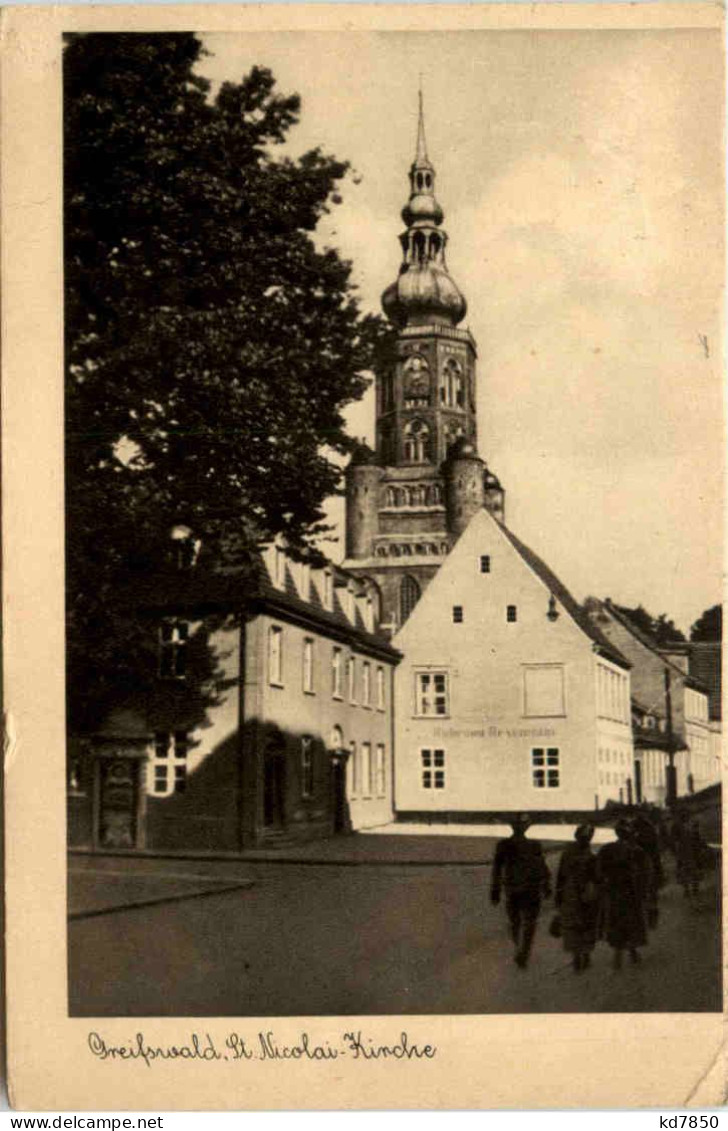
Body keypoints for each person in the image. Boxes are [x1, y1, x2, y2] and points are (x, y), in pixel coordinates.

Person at [490, 814, 551, 968]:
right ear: (526, 828)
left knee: (516, 921)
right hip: (530, 888)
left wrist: (495, 890)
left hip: (514, 888)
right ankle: (524, 950)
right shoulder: (534, 845)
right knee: (528, 922)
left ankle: (520, 948)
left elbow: (497, 869)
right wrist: (546, 885)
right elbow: (542, 866)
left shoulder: (503, 845)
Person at [596, 819, 652, 969]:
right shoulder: (637, 850)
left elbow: (599, 872)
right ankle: (632, 952)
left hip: (613, 892)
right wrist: (644, 893)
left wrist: (603, 887)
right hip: (630, 892)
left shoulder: (606, 849)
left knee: (616, 922)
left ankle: (618, 955)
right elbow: (645, 873)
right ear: (630, 834)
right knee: (632, 921)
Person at [555, 824, 600, 972]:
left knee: (575, 925)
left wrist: (559, 895)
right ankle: (583, 956)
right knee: (585, 924)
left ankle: (578, 957)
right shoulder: (590, 856)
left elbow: (561, 876)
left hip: (573, 893)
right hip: (584, 893)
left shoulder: (568, 853)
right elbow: (596, 877)